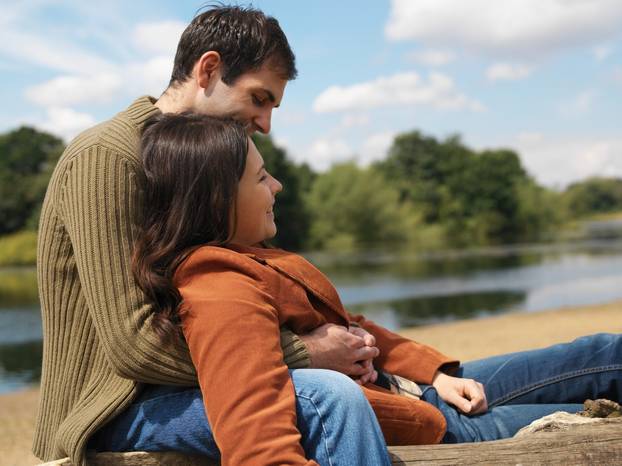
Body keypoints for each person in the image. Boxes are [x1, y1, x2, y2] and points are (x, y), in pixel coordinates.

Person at [130, 111, 622, 465]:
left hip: (426, 391)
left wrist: (437, 372)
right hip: (433, 423)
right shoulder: (218, 286)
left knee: (603, 353)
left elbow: (351, 329)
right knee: (598, 417)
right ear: (216, 198)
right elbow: (257, 443)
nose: (277, 185)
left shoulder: (250, 256)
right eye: (261, 177)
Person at [33, 6, 390, 466]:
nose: (265, 123)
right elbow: (134, 344)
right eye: (259, 98)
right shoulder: (108, 156)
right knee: (327, 398)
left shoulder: (204, 163)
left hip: (189, 382)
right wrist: (307, 351)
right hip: (106, 410)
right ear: (209, 69)